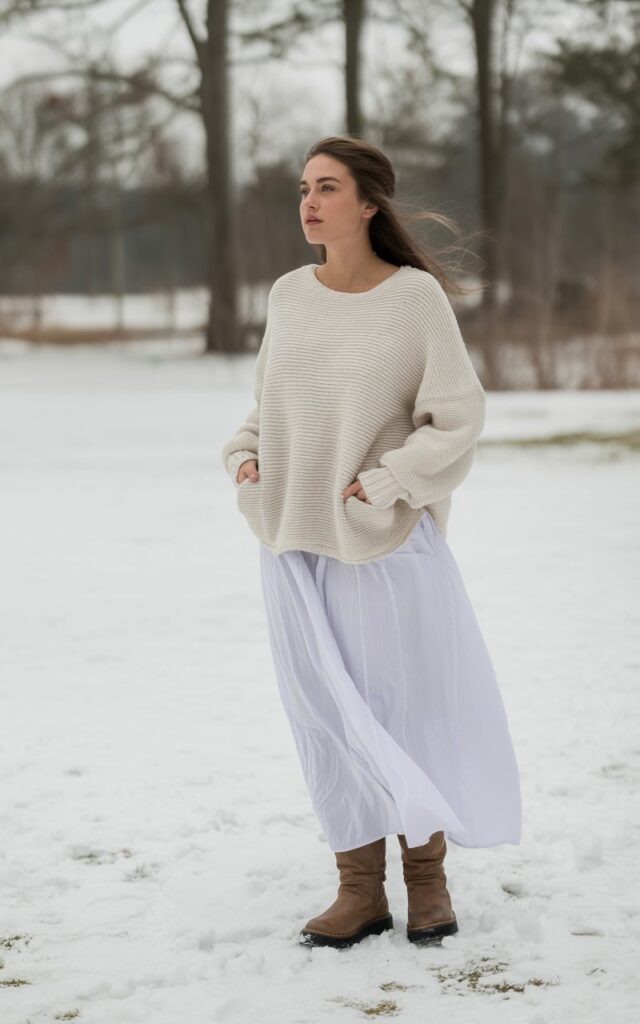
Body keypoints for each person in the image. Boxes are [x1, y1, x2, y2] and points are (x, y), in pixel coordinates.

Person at [221, 135, 522, 950]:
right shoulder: (289, 294)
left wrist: (392, 479)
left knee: (404, 710)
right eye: (303, 188)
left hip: (382, 545)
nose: (309, 203)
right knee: (323, 714)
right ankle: (359, 889)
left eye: (326, 188)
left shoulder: (413, 299)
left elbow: (457, 418)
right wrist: (246, 456)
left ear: (368, 204)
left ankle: (427, 883)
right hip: (290, 538)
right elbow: (265, 405)